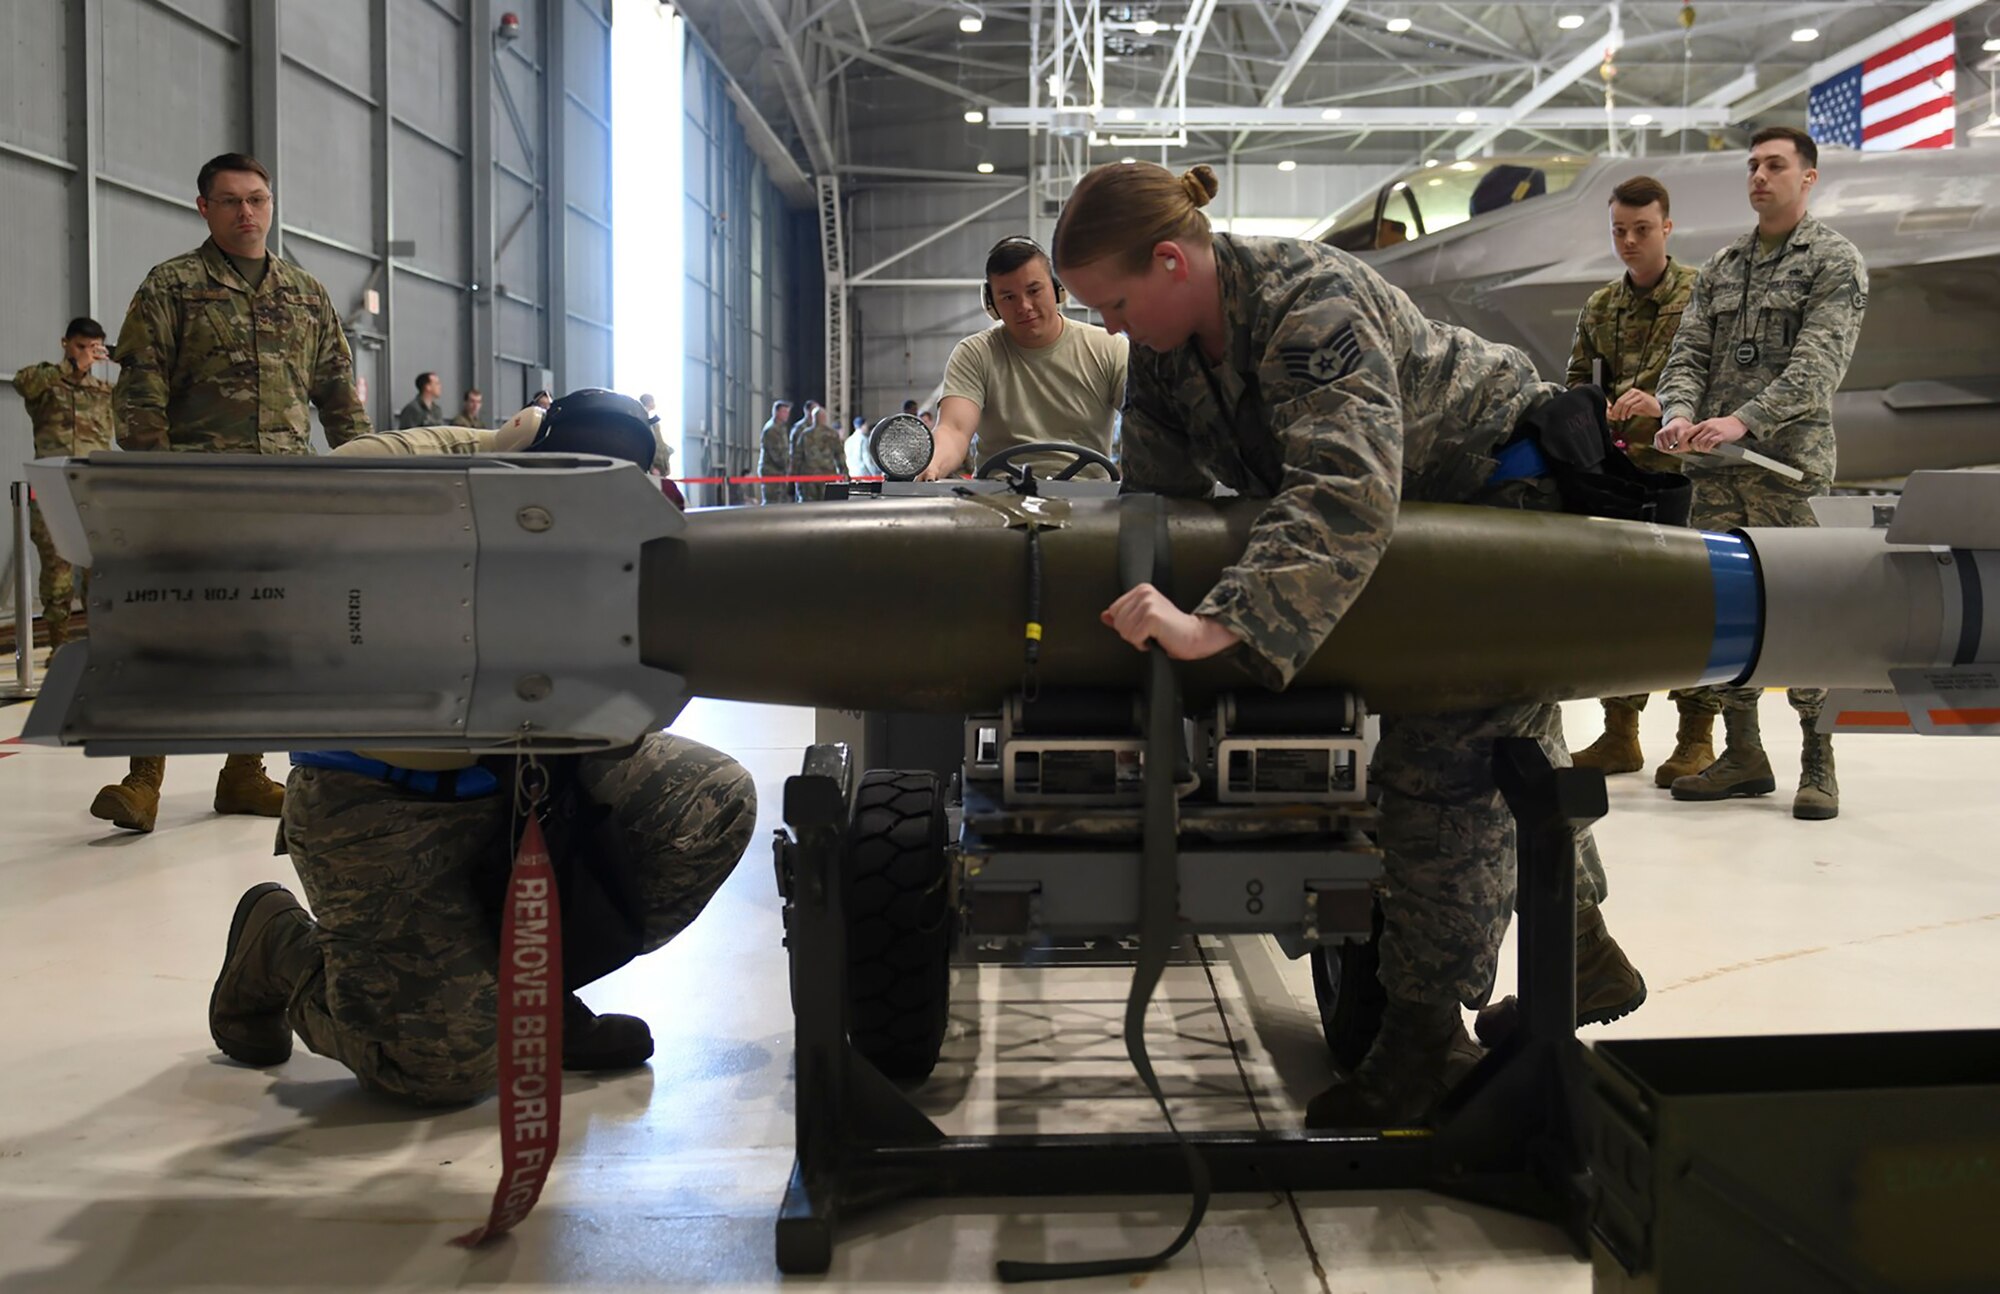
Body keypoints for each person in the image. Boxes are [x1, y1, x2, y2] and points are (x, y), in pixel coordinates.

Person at [1052, 162, 1645, 1127]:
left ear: (1169, 261)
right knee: (1513, 754)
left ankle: (1421, 1046)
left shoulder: (1308, 305)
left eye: (1111, 304)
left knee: (1437, 768)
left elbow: (1344, 492)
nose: (1108, 328)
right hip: (1419, 523)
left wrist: (1217, 625)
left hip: (1496, 500)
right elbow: (1155, 501)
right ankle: (1579, 947)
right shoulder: (1165, 350)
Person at [207, 399, 759, 1102]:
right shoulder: (413, 483)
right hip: (377, 803)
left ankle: (529, 999)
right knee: (438, 1071)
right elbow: (293, 518)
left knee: (709, 804)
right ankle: (279, 944)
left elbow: (643, 698)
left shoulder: (629, 530)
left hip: (524, 785)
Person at [94, 150, 371, 835]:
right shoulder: (172, 286)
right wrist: (160, 477)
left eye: (257, 199)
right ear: (204, 209)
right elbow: (140, 391)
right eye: (231, 201)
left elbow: (338, 395)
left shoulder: (305, 295)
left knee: (268, 633)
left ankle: (244, 770)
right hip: (196, 491)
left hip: (283, 494)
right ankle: (142, 781)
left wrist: (370, 470)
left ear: (270, 205)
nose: (247, 212)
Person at [1653, 125, 1866, 822]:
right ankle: (1743, 753)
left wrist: (1743, 419)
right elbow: (1687, 352)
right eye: (1753, 165)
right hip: (1716, 471)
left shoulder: (1833, 261)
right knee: (1727, 616)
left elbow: (1818, 368)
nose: (1759, 177)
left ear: (1808, 177)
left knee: (1805, 617)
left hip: (1784, 469)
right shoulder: (1723, 266)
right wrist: (1679, 412)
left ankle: (1818, 759)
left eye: (1775, 165)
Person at [1565, 176, 1705, 784]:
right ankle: (1620, 733)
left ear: (1667, 228)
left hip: (1688, 474)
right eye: (1619, 230)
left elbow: (1718, 375)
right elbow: (1576, 380)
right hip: (1624, 478)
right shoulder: (1601, 307)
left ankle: (1696, 740)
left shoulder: (1703, 296)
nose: (1628, 241)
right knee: (1620, 606)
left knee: (1695, 606)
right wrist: (1590, 411)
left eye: (1641, 229)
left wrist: (1668, 404)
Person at [918, 236, 1128, 482]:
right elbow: (954, 430)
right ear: (991, 304)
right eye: (1008, 297)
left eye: (1034, 290)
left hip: (1089, 505)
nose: (1024, 306)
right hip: (998, 503)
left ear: (1057, 289)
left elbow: (1147, 420)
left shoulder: (1109, 348)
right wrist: (932, 467)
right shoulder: (975, 354)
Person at [12, 317, 118, 650]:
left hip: (94, 492)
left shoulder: (104, 393)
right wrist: (69, 365)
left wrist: (122, 358)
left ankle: (98, 646)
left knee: (99, 575)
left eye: (93, 347)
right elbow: (22, 383)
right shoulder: (45, 384)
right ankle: (59, 648)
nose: (87, 354)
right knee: (57, 577)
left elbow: (142, 397)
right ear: (65, 344)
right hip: (54, 491)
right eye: (80, 346)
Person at [789, 400, 845, 501]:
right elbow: (840, 456)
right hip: (828, 476)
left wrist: (793, 478)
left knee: (808, 507)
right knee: (827, 505)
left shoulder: (805, 435)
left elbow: (796, 457)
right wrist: (844, 473)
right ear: (824, 418)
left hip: (808, 477)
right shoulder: (833, 434)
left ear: (814, 418)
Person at [757, 399, 795, 504]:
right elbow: (777, 455)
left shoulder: (780, 428)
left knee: (780, 502)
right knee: (772, 503)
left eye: (788, 412)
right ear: (776, 412)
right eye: (784, 412)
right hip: (772, 472)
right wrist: (788, 466)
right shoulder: (771, 430)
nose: (787, 414)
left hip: (779, 472)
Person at [844, 413, 877, 478]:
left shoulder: (848, 440)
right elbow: (867, 459)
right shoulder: (863, 440)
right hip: (864, 473)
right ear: (863, 425)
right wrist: (874, 474)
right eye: (866, 424)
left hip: (852, 473)